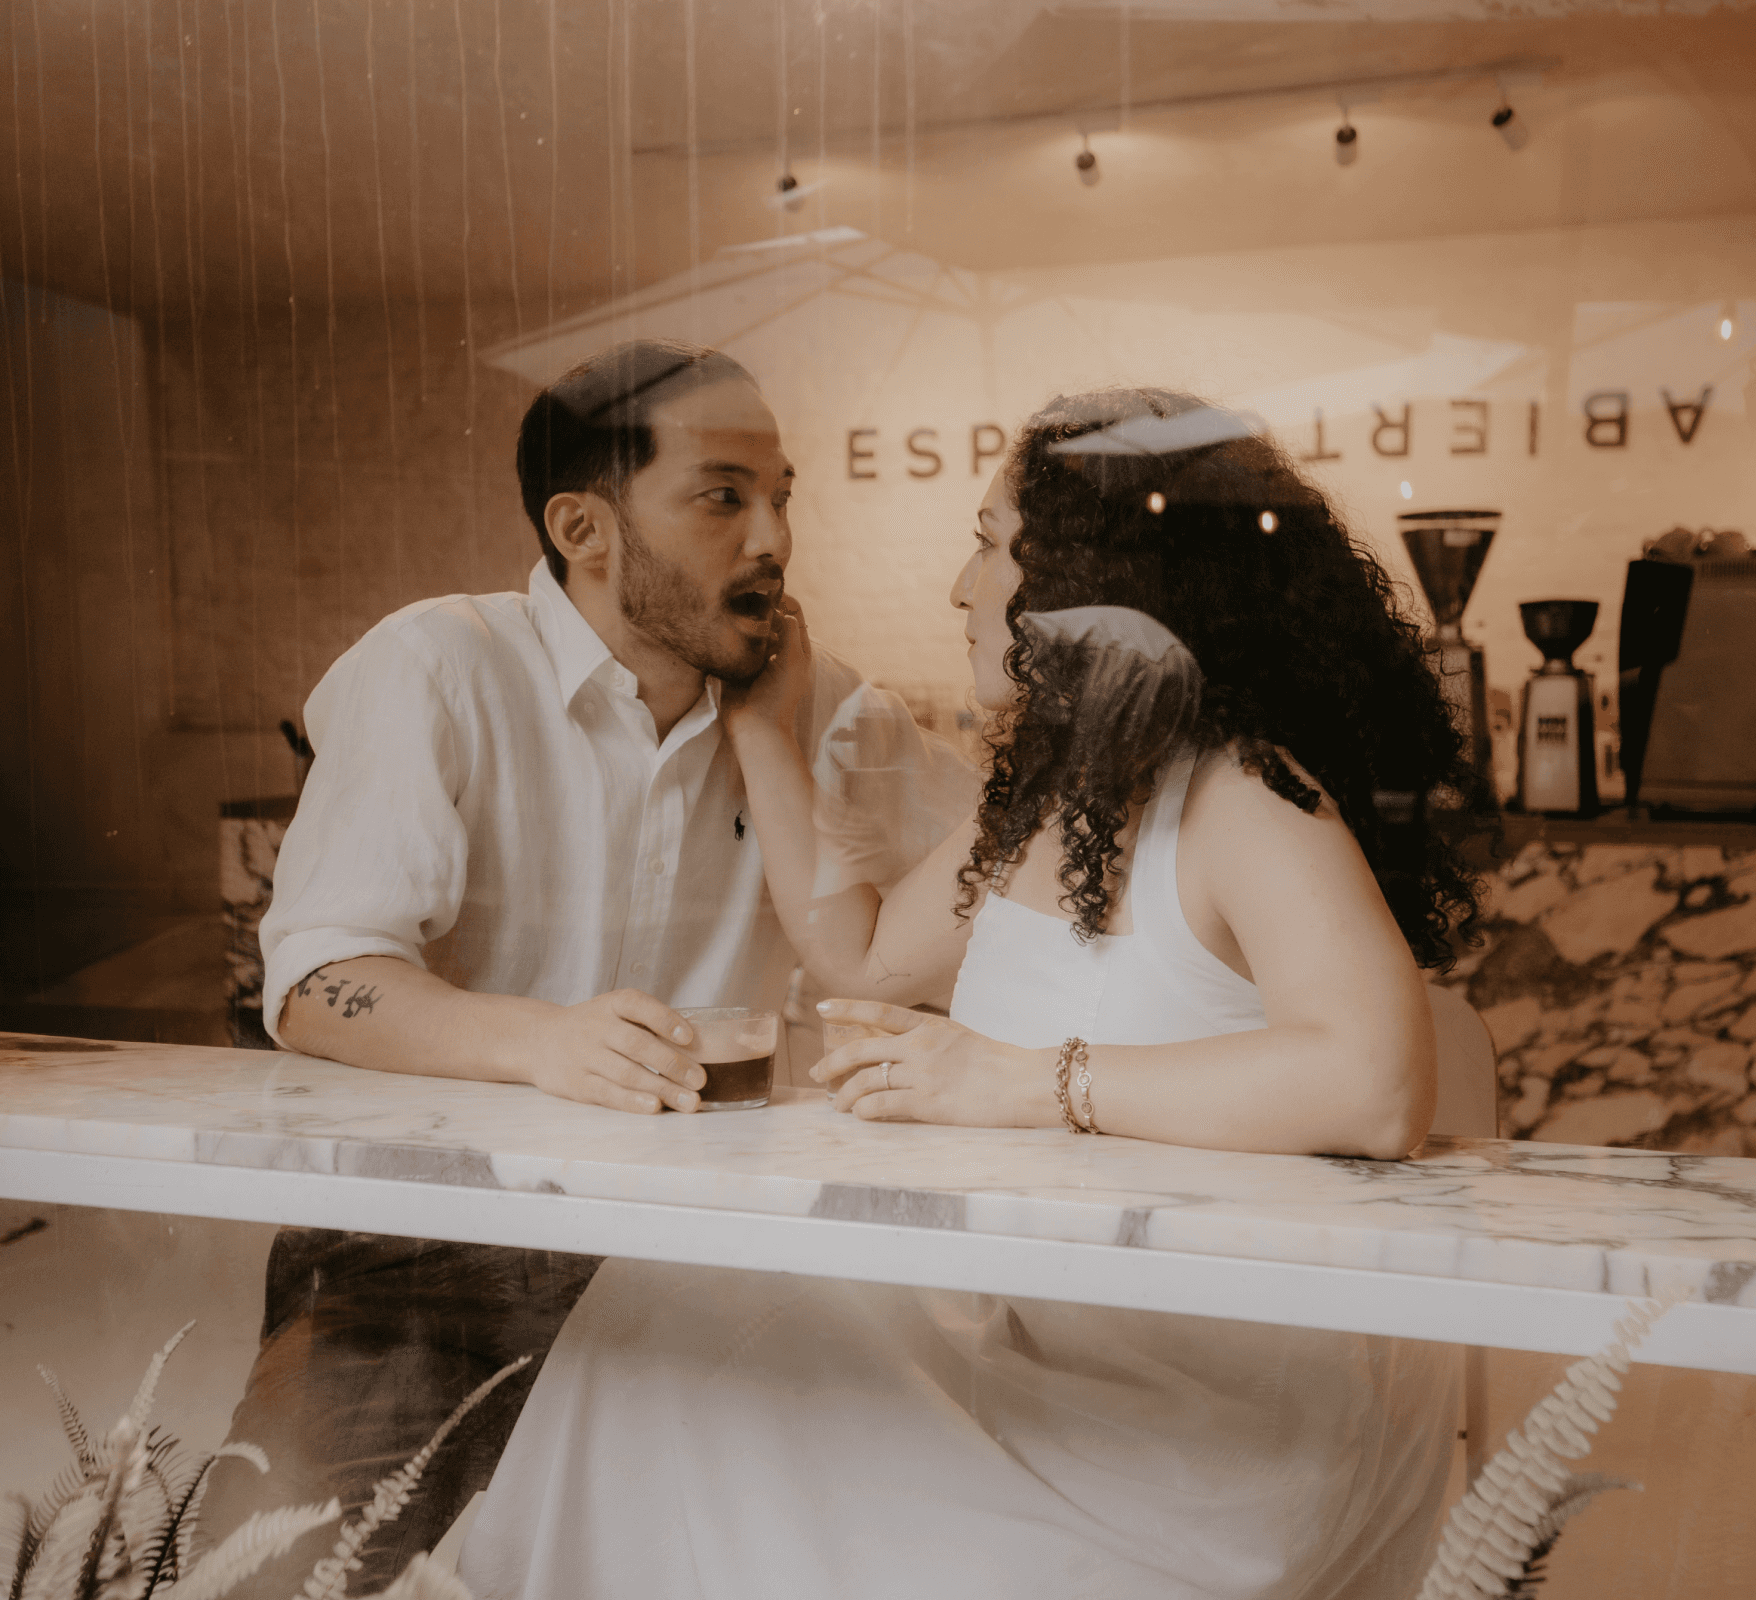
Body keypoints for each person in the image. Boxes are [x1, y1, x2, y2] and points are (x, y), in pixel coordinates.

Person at [458, 389, 1485, 1599]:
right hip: (1055, 1329)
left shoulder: (1245, 788)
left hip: (1215, 1404)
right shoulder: (1059, 793)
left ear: (1098, 578)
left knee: (696, 1383)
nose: (961, 585)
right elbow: (863, 955)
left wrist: (1018, 1081)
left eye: (992, 543)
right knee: (663, 1317)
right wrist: (765, 732)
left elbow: (1374, 1087)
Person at [199, 339, 974, 1594]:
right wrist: (540, 1040)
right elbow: (313, 981)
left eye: (784, 497)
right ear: (584, 527)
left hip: (714, 1260)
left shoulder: (827, 709)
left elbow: (1015, 880)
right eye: (724, 494)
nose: (774, 537)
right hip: (423, 1246)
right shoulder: (436, 665)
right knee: (261, 1579)